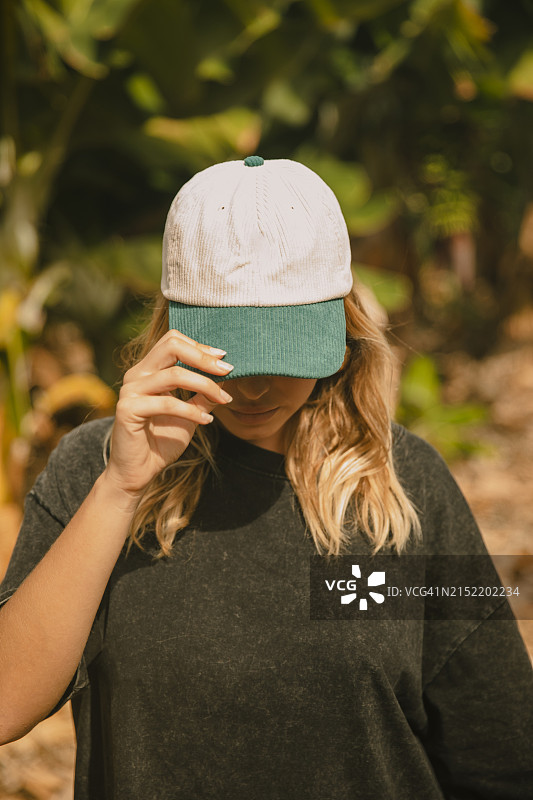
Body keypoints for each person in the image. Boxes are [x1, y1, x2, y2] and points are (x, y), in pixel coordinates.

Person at [0, 156, 531, 800]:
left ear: (342, 323)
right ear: (173, 322)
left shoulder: (405, 482)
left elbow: (500, 752)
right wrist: (121, 487)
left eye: (282, 351)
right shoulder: (95, 469)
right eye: (229, 353)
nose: (253, 386)